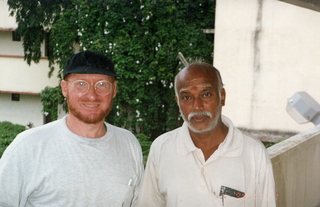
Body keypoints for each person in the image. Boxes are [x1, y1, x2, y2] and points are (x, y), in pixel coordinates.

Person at [0, 50, 144, 207]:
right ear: (64, 88)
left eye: (102, 85)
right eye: (81, 84)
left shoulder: (128, 143)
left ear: (114, 90)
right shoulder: (29, 146)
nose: (92, 95)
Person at [136, 62, 276, 206]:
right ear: (178, 103)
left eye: (206, 94)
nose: (197, 106)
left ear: (222, 96)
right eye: (187, 97)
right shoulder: (162, 148)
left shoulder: (253, 153)